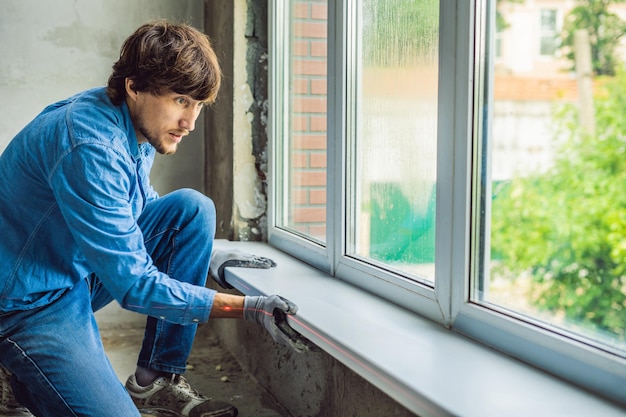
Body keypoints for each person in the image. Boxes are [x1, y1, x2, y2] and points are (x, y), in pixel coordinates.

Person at [0, 20, 310, 417]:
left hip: (71, 268)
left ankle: (155, 381)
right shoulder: (91, 145)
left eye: (199, 105)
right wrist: (246, 306)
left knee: (191, 210)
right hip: (26, 302)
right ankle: (19, 368)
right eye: (181, 100)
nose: (191, 123)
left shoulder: (135, 124)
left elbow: (141, 210)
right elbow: (134, 285)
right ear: (134, 85)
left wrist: (212, 257)